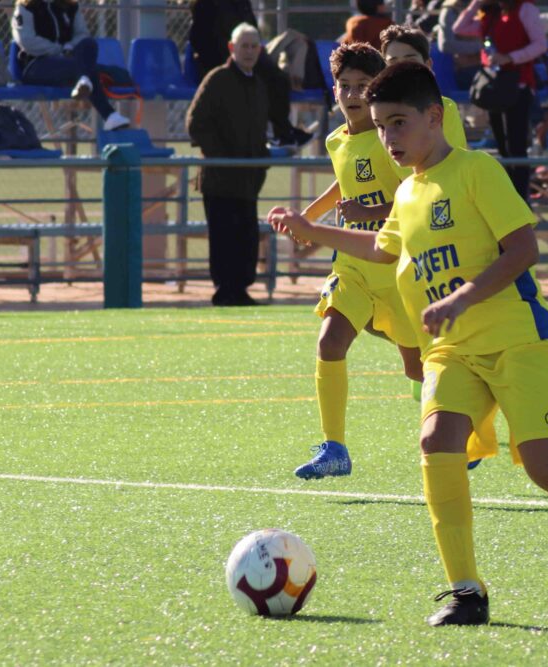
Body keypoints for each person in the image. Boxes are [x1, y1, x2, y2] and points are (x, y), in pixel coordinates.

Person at [269, 62, 548, 625]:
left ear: (433, 117)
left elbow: (522, 250)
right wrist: (312, 230)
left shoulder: (475, 171)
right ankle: (466, 590)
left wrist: (462, 297)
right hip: (452, 350)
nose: (387, 137)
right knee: (437, 440)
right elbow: (383, 249)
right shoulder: (410, 191)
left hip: (518, 342)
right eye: (380, 126)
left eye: (397, 123)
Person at [275, 41, 468, 481]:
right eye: (345, 85)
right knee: (329, 342)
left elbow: (413, 196)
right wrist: (309, 218)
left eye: (363, 85)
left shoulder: (391, 141)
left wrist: (369, 213)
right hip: (353, 266)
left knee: (416, 367)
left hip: (396, 268)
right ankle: (334, 447)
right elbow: (345, 186)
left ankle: (456, 435)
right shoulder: (335, 140)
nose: (353, 94)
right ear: (334, 89)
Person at [187, 23, 269, 307]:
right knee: (223, 237)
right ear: (232, 49)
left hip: (247, 180)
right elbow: (195, 123)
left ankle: (241, 289)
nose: (249, 51)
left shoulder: (258, 85)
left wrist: (262, 159)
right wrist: (222, 156)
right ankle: (225, 290)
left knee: (247, 237)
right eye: (243, 46)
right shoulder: (217, 79)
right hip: (221, 179)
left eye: (253, 46)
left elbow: (257, 131)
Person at [454, 0, 547, 200]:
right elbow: (459, 28)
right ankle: (509, 197)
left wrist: (511, 57)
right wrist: (476, 3)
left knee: (516, 146)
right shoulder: (489, 14)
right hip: (495, 88)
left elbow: (540, 45)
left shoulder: (525, 9)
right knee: (503, 147)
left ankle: (521, 198)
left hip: (518, 87)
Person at [189, 0, 312, 149]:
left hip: (243, 57)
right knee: (269, 78)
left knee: (278, 78)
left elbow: (253, 32)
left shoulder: (241, 3)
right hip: (219, 61)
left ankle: (283, 133)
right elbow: (201, 41)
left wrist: (254, 54)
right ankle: (282, 133)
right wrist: (229, 58)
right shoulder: (205, 4)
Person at [11, 0, 130, 131]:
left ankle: (84, 81)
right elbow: (27, 41)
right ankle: (108, 114)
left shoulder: (70, 6)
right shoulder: (26, 7)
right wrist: (59, 50)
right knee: (88, 69)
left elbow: (82, 34)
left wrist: (70, 46)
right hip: (36, 64)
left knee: (89, 44)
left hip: (68, 61)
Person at [379, 23, 468, 151]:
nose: (401, 68)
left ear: (428, 65)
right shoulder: (374, 112)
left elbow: (454, 163)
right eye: (393, 62)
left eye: (410, 61)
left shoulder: (445, 108)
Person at [437, 0, 482, 89]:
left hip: (489, 65)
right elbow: (446, 44)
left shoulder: (485, 6)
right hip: (466, 68)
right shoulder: (451, 10)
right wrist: (480, 47)